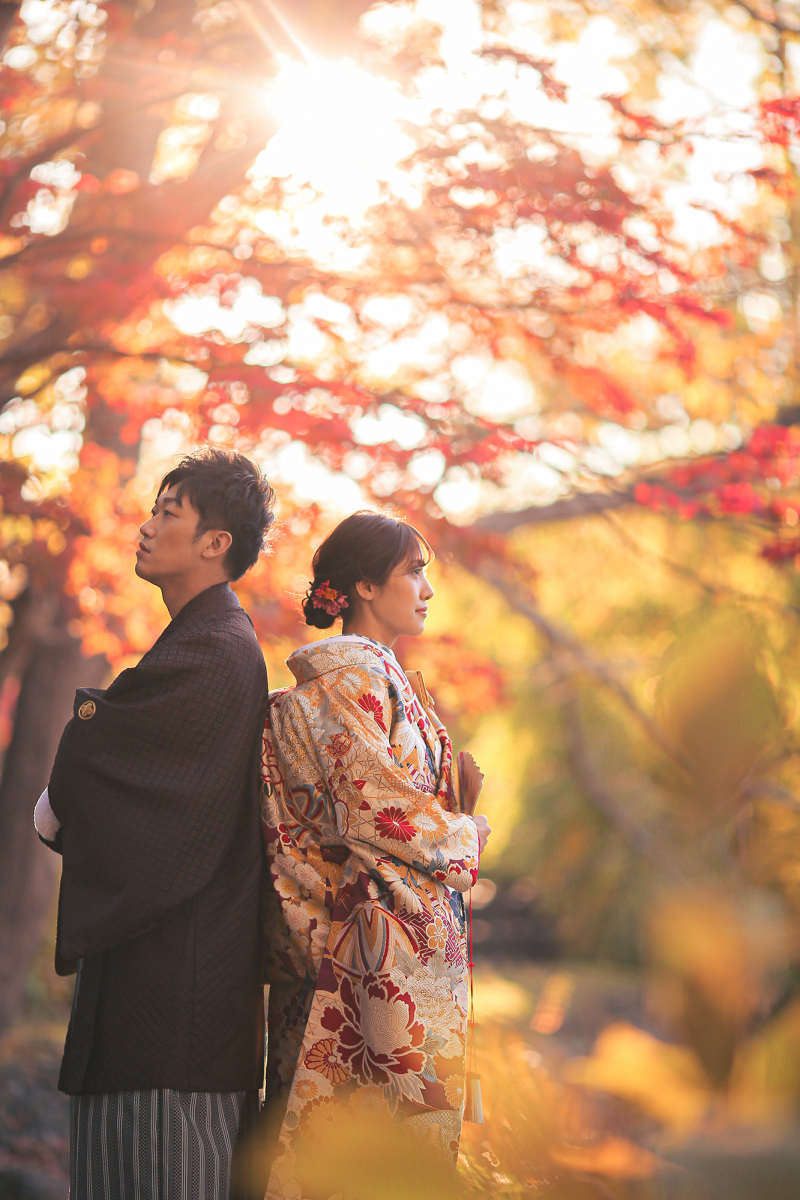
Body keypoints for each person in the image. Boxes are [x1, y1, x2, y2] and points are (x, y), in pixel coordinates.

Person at [33, 447, 274, 1200]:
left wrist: (73, 773)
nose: (146, 527)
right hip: (162, 1011)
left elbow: (102, 755)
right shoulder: (200, 645)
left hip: (177, 1023)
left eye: (169, 513)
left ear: (216, 543)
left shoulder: (216, 654)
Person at [259, 511, 491, 1199]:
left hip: (383, 943)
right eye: (411, 572)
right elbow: (375, 811)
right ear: (363, 584)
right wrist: (467, 833)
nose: (426, 588)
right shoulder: (348, 681)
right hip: (358, 954)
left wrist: (454, 796)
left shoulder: (378, 678)